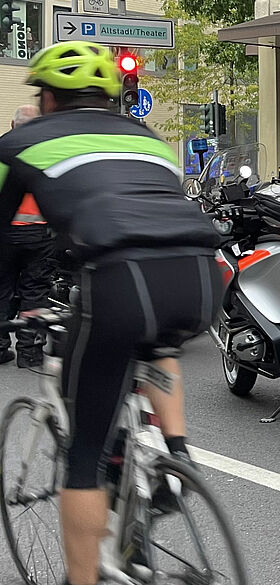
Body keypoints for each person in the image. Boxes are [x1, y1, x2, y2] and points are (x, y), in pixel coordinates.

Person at [0, 41, 221, 585]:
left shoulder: (20, 143)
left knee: (85, 455)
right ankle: (176, 457)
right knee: (157, 343)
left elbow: (3, 240)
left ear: (48, 98)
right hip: (201, 278)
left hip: (122, 284)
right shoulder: (149, 140)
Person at [0, 104, 56, 367]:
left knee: (1, 290)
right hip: (39, 234)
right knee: (35, 291)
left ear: (13, 126)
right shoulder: (48, 153)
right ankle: (29, 351)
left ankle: (0, 348)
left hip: (5, 233)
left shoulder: (2, 150)